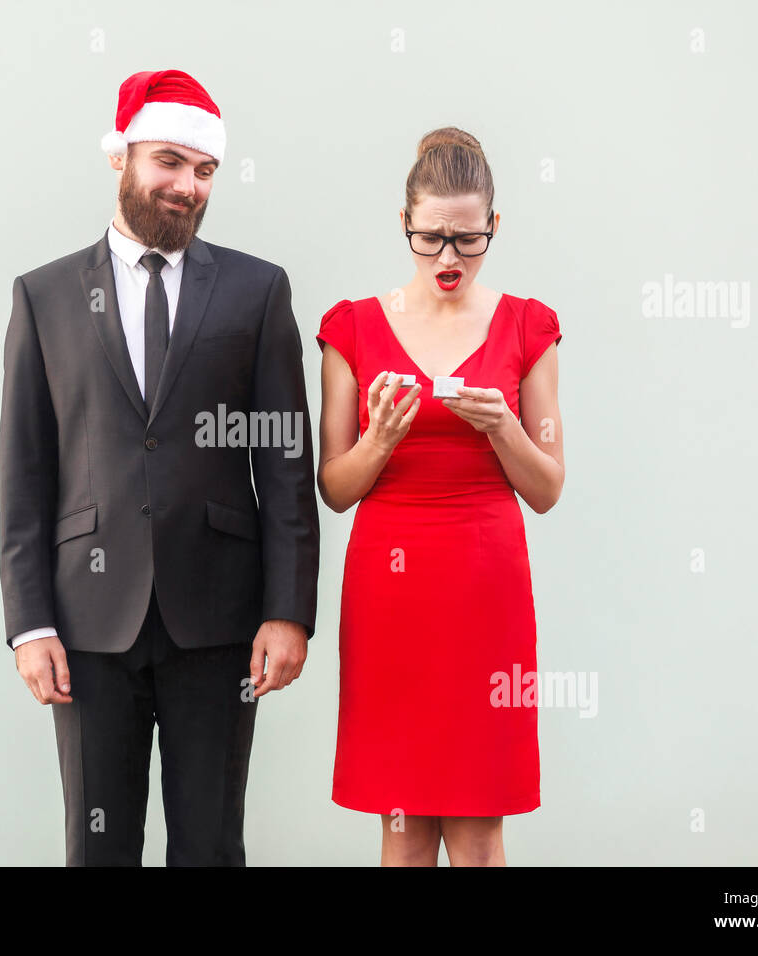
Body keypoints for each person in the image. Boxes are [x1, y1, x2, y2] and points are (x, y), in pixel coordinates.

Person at [0, 69, 320, 866]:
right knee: (97, 850)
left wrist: (289, 609)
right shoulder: (44, 297)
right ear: (123, 158)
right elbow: (25, 469)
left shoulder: (257, 290)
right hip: (86, 624)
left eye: (205, 171)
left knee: (210, 846)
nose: (187, 187)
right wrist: (29, 623)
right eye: (170, 162)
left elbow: (284, 463)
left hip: (220, 619)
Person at [315, 127, 565, 866]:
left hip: (485, 594)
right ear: (404, 225)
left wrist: (503, 430)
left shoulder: (528, 324)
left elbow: (548, 487)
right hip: (391, 599)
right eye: (431, 239)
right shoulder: (352, 328)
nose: (448, 259)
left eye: (467, 239)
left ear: (495, 226)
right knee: (404, 825)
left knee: (481, 828)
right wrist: (382, 439)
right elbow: (334, 487)